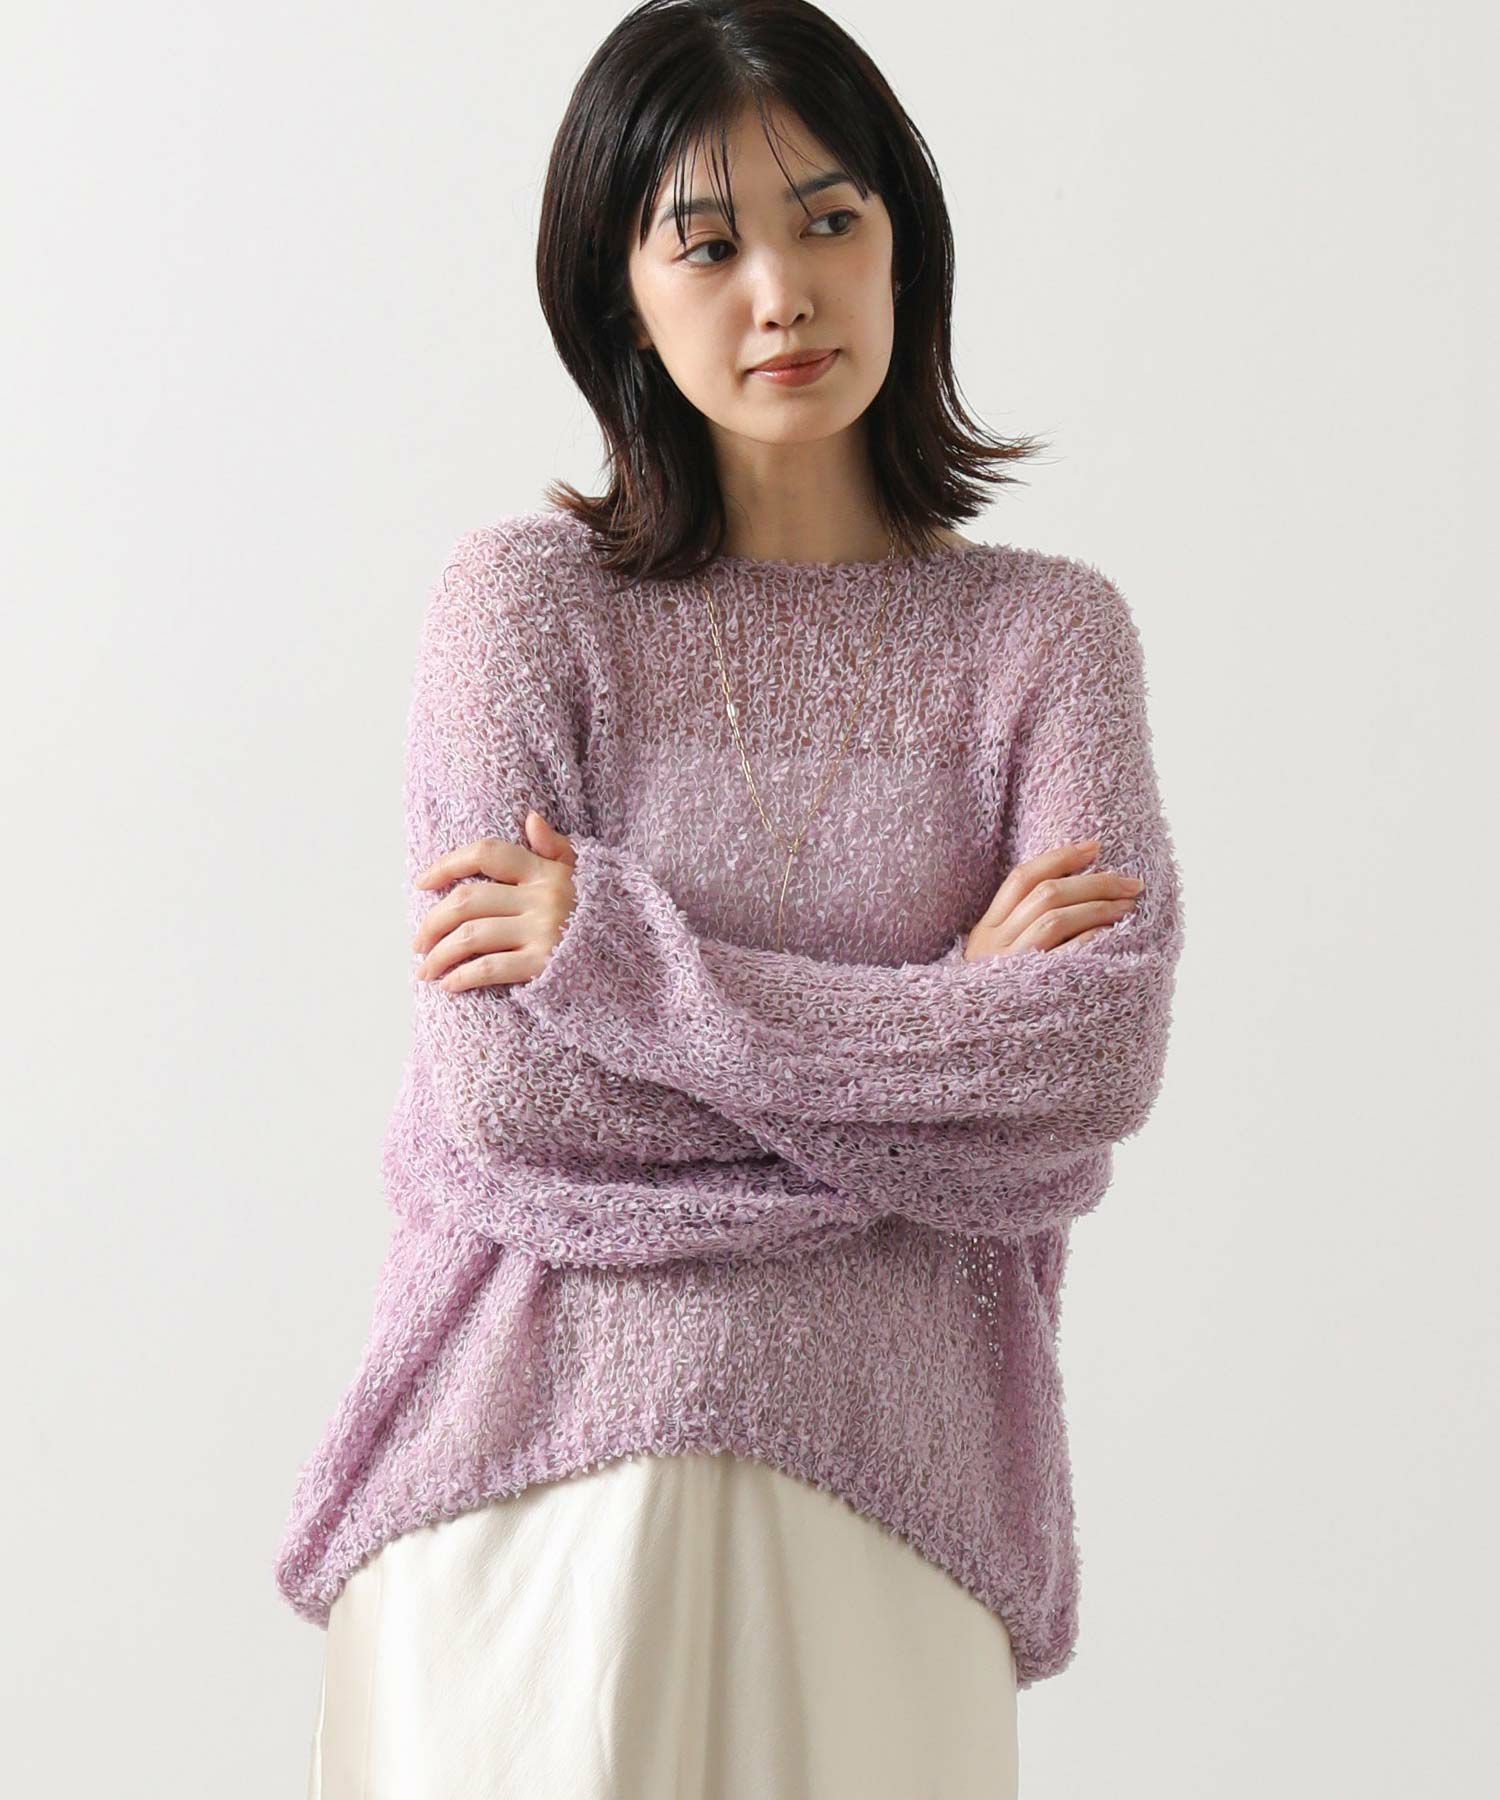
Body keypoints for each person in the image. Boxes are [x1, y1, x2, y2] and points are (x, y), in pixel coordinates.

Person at [276, 3, 1186, 1794]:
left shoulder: (1042, 639)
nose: (784, 292)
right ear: (620, 296)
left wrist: (616, 963)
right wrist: (947, 1031)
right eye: (707, 244)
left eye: (830, 220)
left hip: (896, 1509)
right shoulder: (525, 606)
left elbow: (1087, 1061)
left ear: (904, 241)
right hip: (522, 1508)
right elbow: (513, 1092)